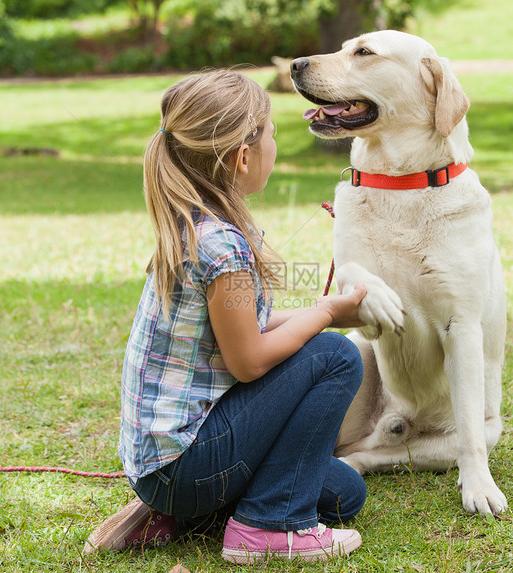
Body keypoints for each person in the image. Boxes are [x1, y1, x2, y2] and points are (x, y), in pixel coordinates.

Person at [84, 69, 368, 564]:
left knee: (344, 493)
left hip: (166, 467)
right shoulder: (221, 247)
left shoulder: (194, 227)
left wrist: (323, 312)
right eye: (273, 135)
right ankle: (266, 528)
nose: (276, 145)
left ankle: (180, 513)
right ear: (243, 157)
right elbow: (249, 361)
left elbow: (242, 327)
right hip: (183, 464)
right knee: (336, 357)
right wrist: (324, 315)